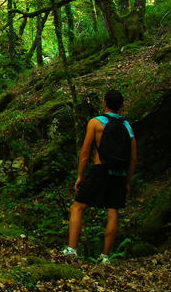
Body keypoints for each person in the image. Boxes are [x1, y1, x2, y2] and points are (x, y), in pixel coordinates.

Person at [62, 89, 138, 264]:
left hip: (100, 170)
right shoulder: (128, 126)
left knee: (77, 208)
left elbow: (85, 152)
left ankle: (71, 250)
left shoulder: (96, 123)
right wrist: (128, 181)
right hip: (119, 174)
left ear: (104, 103)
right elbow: (133, 158)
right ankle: (105, 257)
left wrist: (80, 175)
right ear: (121, 105)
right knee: (112, 211)